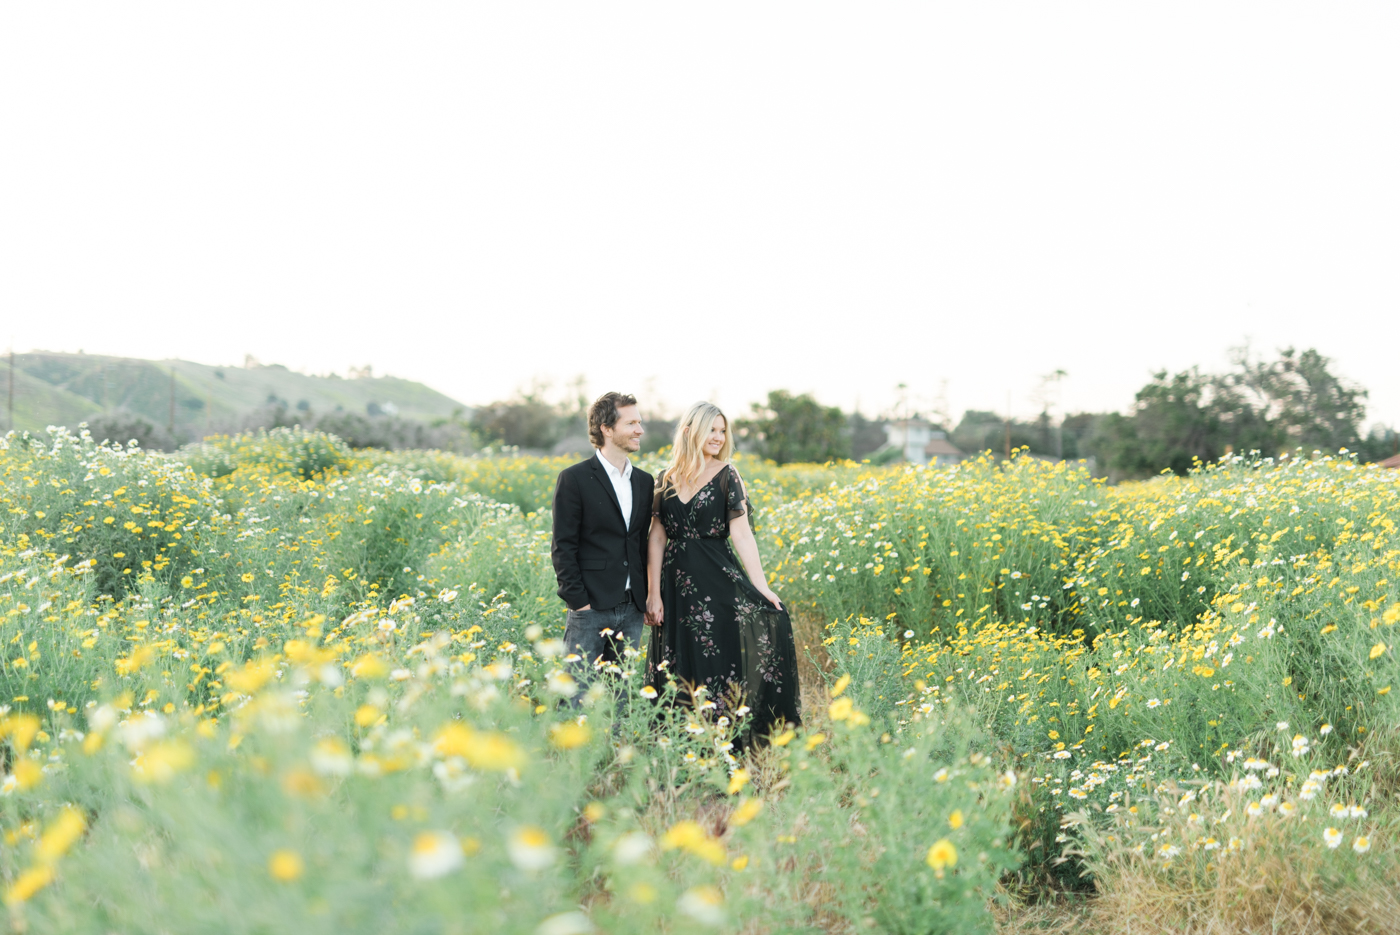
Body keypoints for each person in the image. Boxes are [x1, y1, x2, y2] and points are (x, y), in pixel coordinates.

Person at [644, 402, 801, 743]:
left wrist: (762, 588)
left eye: (722, 430)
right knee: (677, 659)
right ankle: (682, 741)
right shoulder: (664, 478)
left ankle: (723, 739)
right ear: (690, 431)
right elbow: (656, 537)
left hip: (717, 579)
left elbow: (742, 534)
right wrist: (653, 593)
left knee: (716, 656)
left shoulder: (728, 474)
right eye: (711, 430)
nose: (718, 437)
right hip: (674, 585)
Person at [551, 392, 655, 694]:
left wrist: (647, 595)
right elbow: (563, 547)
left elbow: (640, 542)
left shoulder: (645, 482)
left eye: (640, 422)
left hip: (632, 608)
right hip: (590, 607)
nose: (640, 430)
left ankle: (618, 743)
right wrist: (579, 603)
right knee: (576, 696)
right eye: (631, 423)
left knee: (621, 698)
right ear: (606, 429)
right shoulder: (574, 478)